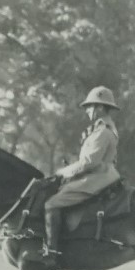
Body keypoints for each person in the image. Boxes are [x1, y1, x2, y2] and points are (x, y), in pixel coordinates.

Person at [37, 86, 121, 256]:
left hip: (98, 177)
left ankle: (52, 251)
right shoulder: (100, 129)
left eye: (90, 107)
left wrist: (62, 172)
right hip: (98, 174)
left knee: (51, 204)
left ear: (100, 107)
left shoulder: (103, 131)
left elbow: (89, 162)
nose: (87, 111)